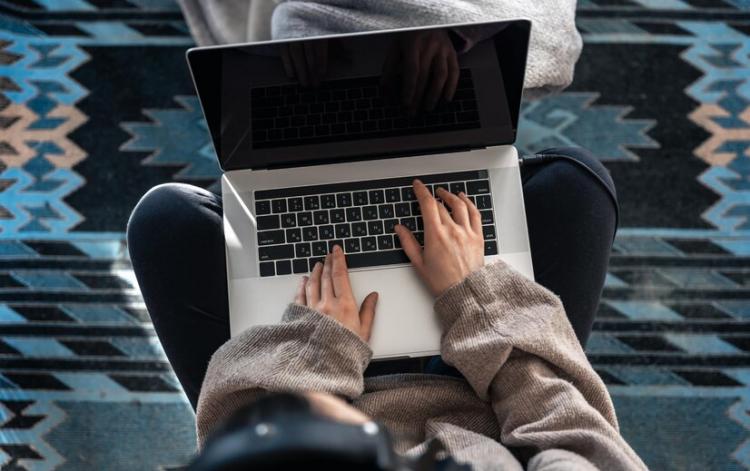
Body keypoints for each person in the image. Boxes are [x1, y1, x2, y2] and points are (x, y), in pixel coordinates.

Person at [127, 144, 646, 468]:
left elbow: (235, 434)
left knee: (165, 222)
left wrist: (317, 355)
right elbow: (577, 438)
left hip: (311, 391)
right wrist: (475, 296)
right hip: (480, 392)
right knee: (574, 183)